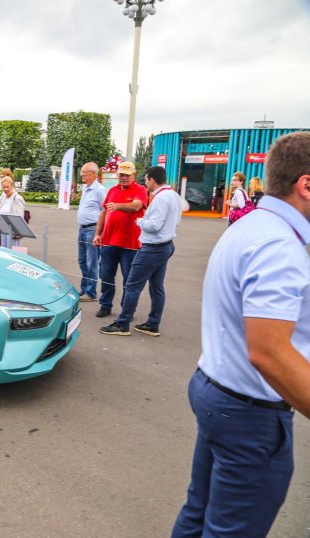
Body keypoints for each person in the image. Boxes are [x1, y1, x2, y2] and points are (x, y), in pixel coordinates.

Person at [171, 131, 310, 538]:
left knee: (199, 512)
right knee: (232, 528)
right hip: (249, 413)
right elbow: (269, 352)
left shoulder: (255, 226)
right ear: (306, 185)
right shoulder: (278, 245)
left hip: (218, 389)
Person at [99, 166, 181, 336]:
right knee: (157, 287)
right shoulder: (173, 195)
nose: (146, 183)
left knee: (132, 286)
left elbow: (154, 225)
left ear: (152, 180)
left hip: (153, 248)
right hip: (165, 245)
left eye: (146, 179)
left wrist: (141, 222)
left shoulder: (160, 198)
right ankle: (153, 324)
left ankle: (122, 324)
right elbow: (176, 221)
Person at [92, 161, 147, 318]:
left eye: (127, 175)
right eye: (121, 174)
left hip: (130, 244)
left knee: (129, 279)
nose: (123, 177)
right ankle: (105, 305)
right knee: (106, 276)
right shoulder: (112, 190)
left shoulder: (140, 190)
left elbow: (136, 206)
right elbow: (104, 213)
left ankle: (127, 310)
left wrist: (117, 206)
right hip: (109, 242)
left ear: (133, 175)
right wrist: (98, 234)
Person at [76, 162, 106, 302]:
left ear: (94, 174)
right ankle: (85, 288)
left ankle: (91, 292)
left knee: (91, 262)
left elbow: (105, 211)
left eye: (84, 172)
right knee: (82, 260)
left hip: (92, 229)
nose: (82, 174)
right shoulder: (86, 188)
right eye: (82, 172)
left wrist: (99, 233)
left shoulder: (100, 190)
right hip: (82, 228)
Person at [0, 170, 26, 249]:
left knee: (12, 251)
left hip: (13, 231)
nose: (5, 189)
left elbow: (20, 216)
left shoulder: (17, 198)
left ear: (12, 186)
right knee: (4, 250)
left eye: (7, 187)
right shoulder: (4, 198)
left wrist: (18, 231)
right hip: (4, 229)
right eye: (4, 187)